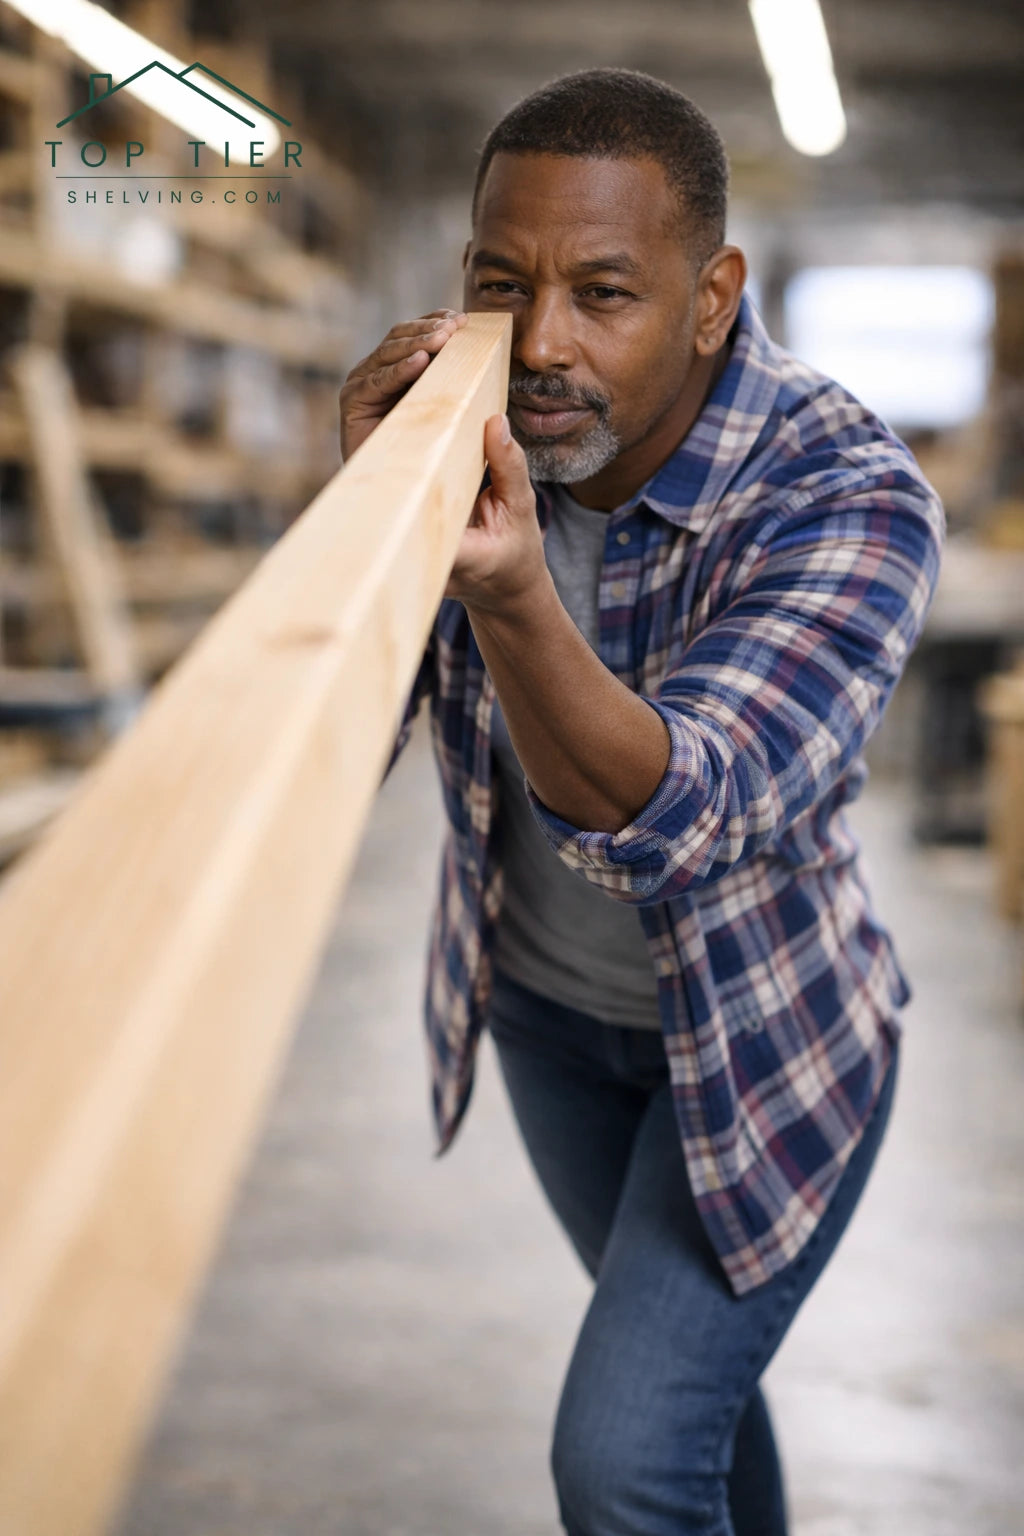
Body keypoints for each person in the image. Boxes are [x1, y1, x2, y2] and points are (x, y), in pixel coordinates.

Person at [338, 68, 944, 1536]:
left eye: (604, 293)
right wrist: (358, 525)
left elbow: (680, 812)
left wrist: (506, 593)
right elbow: (348, 750)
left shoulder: (848, 491)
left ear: (714, 295)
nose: (540, 345)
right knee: (687, 1431)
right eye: (501, 283)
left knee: (620, 1461)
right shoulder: (473, 434)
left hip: (761, 1048)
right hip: (551, 1018)